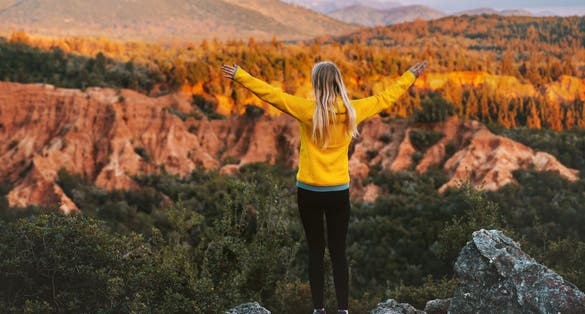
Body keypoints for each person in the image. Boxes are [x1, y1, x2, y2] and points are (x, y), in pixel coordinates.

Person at [221, 60, 427, 314]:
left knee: (315, 251)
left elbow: (271, 95)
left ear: (317, 84)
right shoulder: (352, 111)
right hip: (338, 192)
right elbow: (386, 98)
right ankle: (343, 310)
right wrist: (409, 75)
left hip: (308, 191)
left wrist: (240, 75)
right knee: (338, 252)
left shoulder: (308, 111)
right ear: (338, 82)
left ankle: (319, 310)